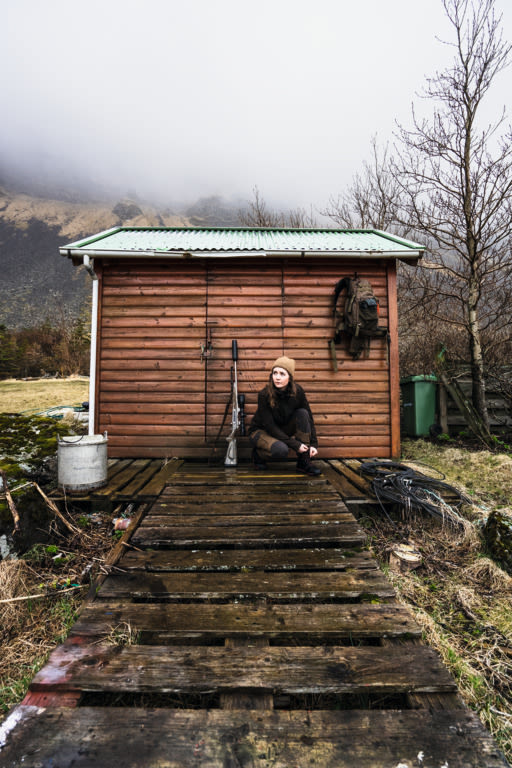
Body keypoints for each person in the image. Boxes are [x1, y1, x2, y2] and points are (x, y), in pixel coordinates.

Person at [248, 356, 321, 476]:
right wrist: (296, 445)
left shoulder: (298, 391)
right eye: (275, 373)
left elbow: (309, 418)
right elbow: (270, 426)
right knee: (281, 450)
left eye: (282, 374)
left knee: (303, 413)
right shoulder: (264, 394)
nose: (277, 377)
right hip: (261, 431)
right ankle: (258, 455)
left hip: (281, 429)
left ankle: (304, 461)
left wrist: (313, 444)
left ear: (290, 377)